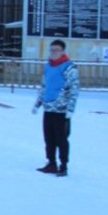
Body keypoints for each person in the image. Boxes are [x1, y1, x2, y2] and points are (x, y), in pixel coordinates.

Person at [33, 39, 79, 177]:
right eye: (52, 50)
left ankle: (63, 165)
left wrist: (70, 109)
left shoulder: (69, 67)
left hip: (61, 109)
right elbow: (44, 86)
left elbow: (74, 89)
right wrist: (37, 104)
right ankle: (51, 163)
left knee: (61, 138)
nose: (53, 53)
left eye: (56, 50)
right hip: (48, 107)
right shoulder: (47, 66)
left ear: (63, 52)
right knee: (49, 138)